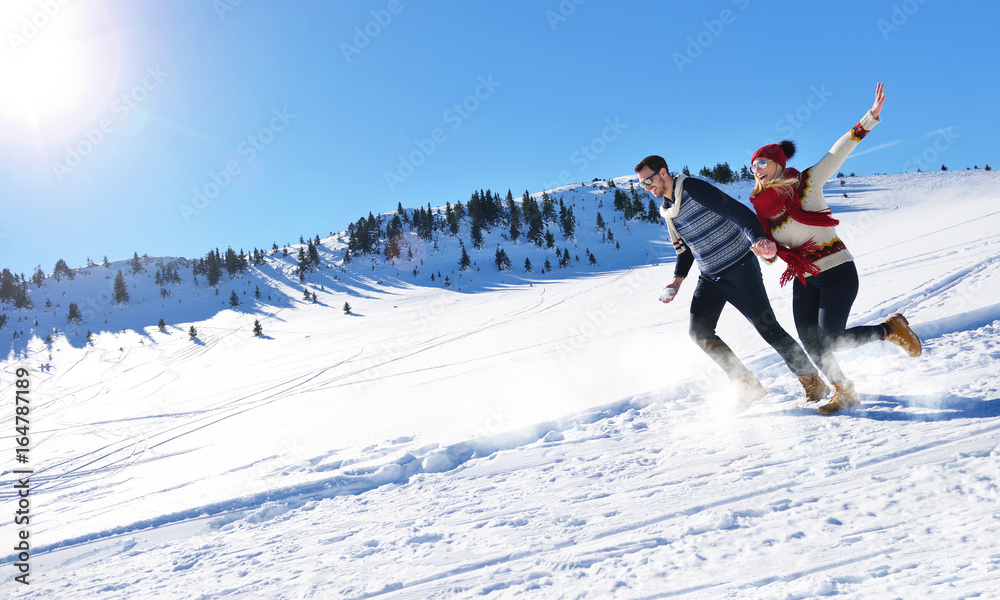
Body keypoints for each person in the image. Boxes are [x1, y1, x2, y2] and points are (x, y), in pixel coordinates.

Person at [747, 82, 921, 415]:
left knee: (832, 339)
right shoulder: (761, 207)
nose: (756, 170)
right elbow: (773, 252)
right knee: (811, 341)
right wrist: (767, 253)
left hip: (837, 270)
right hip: (804, 277)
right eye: (753, 166)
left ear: (778, 164)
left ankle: (890, 329)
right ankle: (845, 391)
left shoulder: (806, 185)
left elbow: (837, 152)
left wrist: (868, 119)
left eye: (762, 163)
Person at [635, 155, 821, 408]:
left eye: (648, 180)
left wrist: (757, 238)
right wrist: (677, 281)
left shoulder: (692, 188)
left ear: (663, 172)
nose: (647, 187)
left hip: (739, 267)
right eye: (642, 184)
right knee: (699, 332)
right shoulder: (669, 209)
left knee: (768, 329)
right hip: (710, 276)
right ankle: (746, 384)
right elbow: (686, 250)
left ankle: (811, 379)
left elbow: (737, 211)